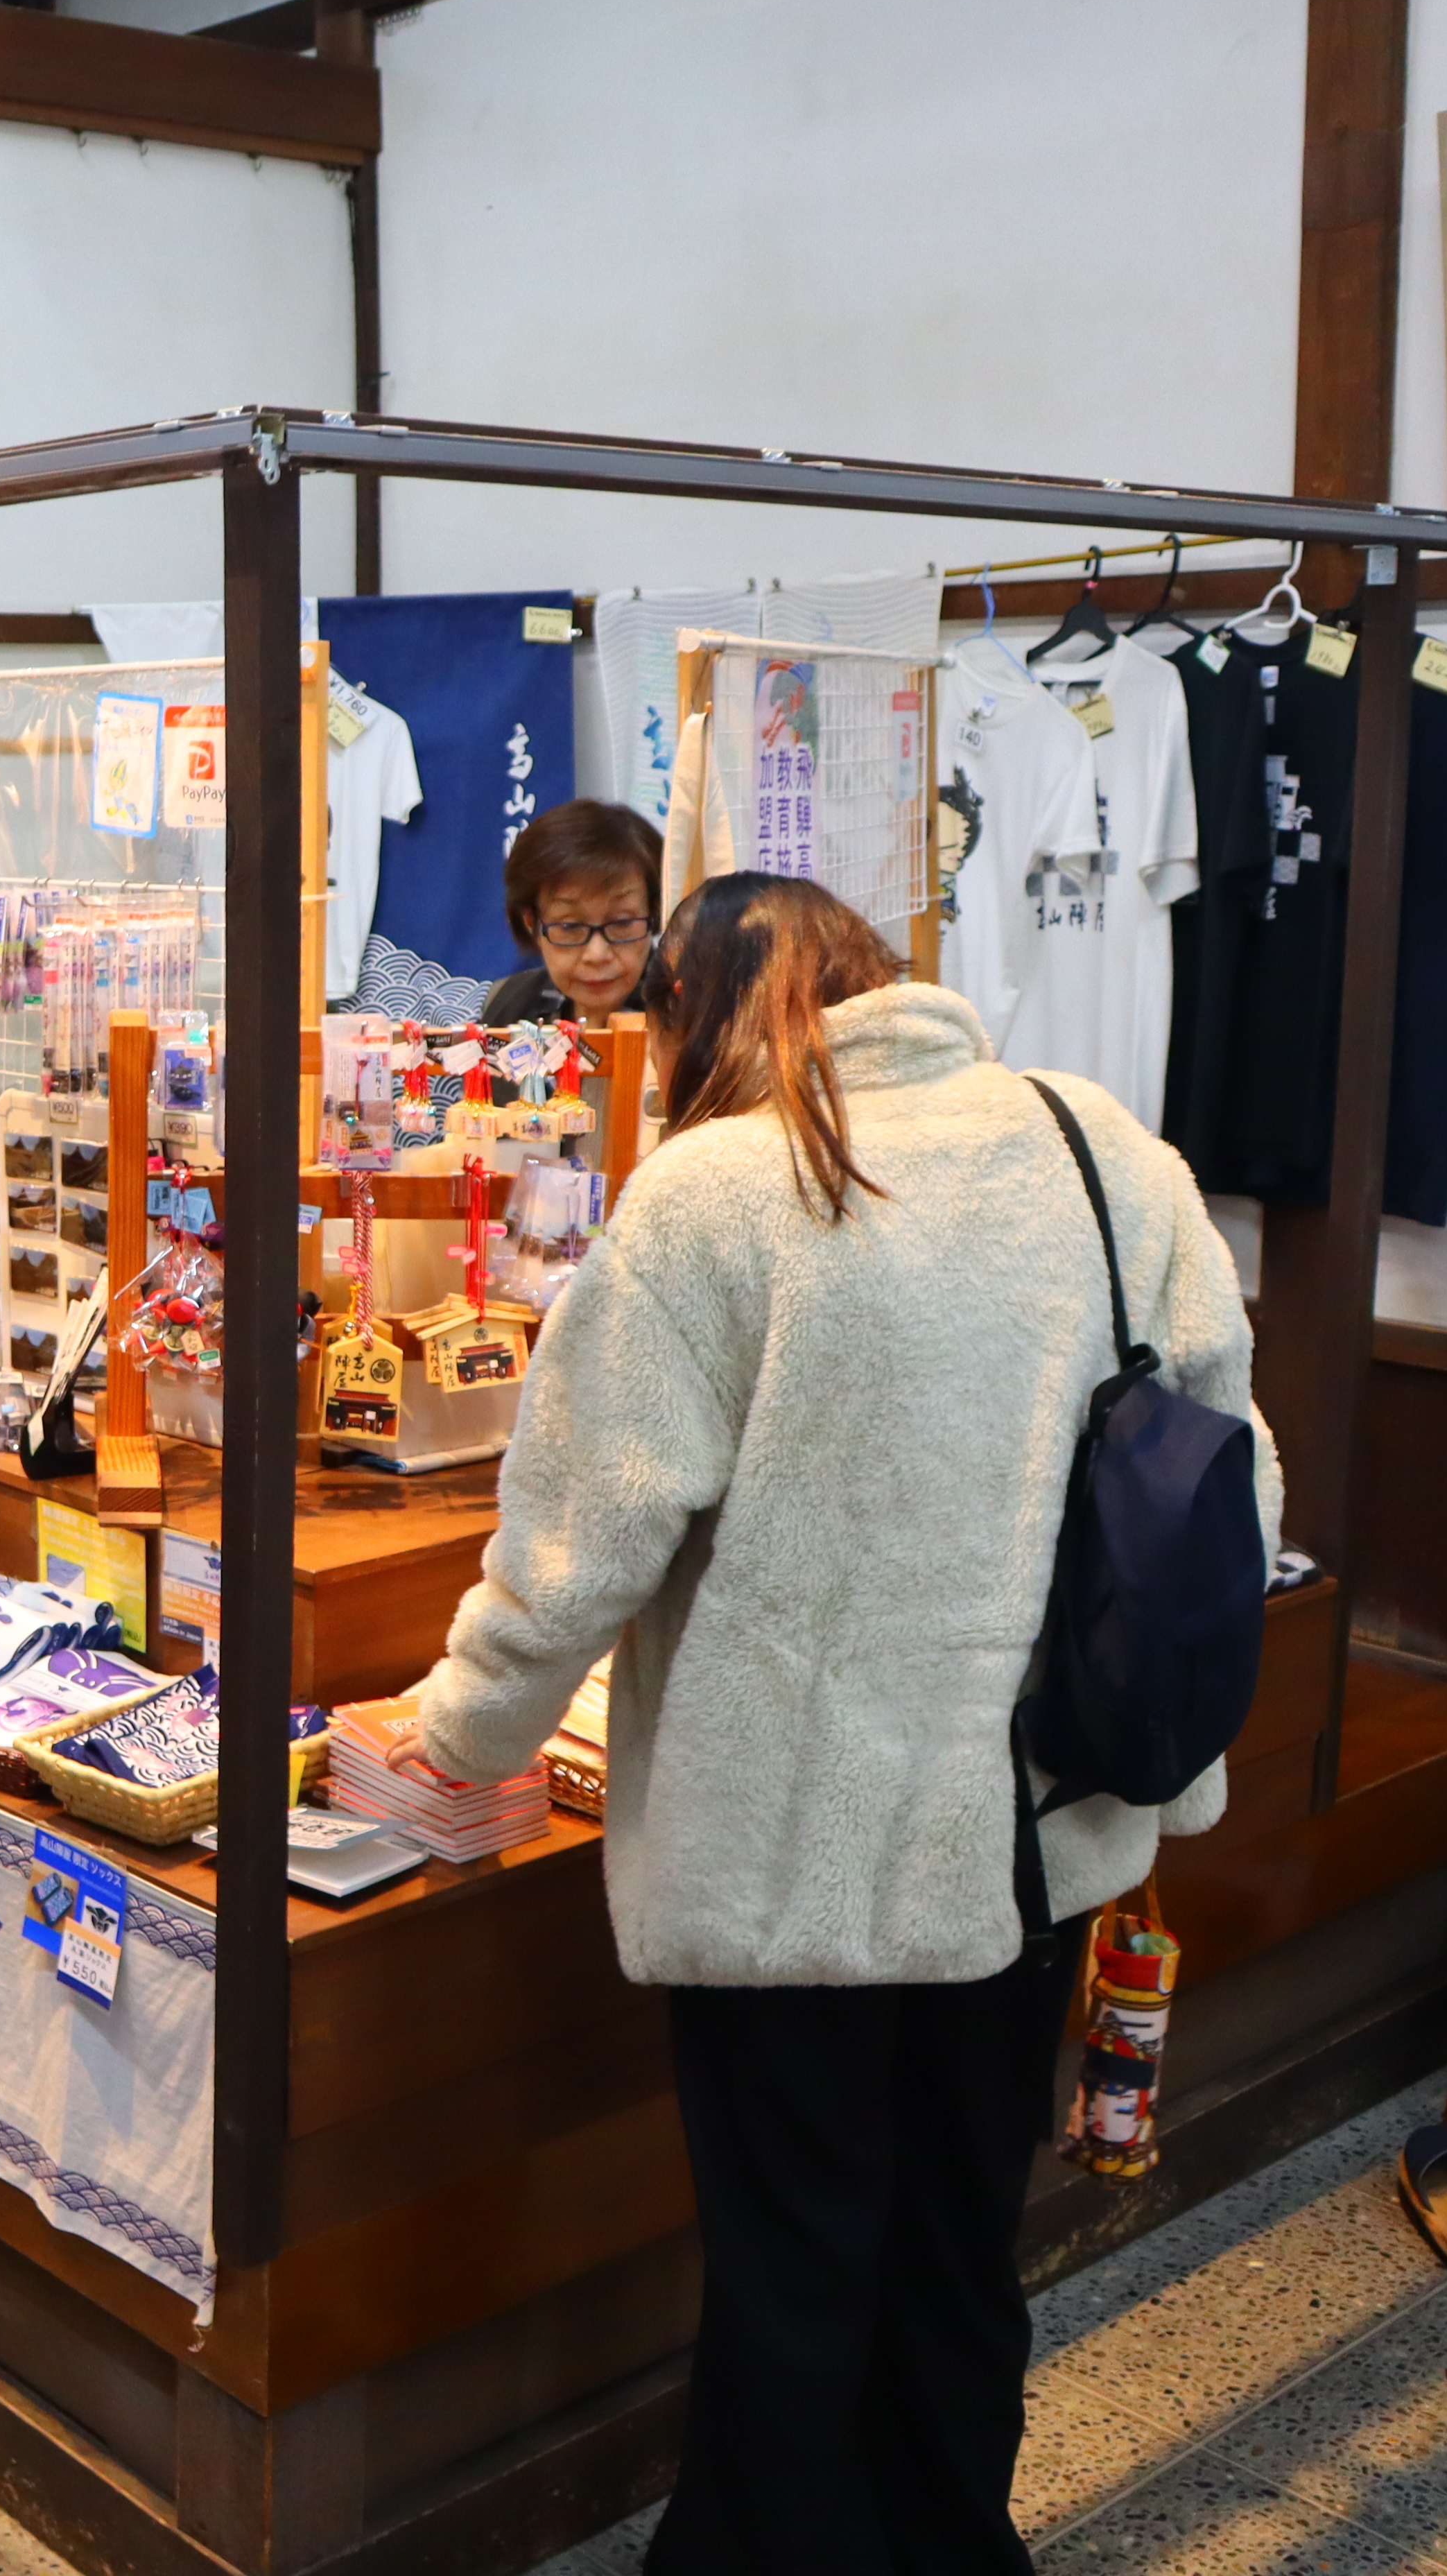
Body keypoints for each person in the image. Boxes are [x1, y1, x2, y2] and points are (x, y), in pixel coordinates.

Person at [397, 874, 1276, 2575]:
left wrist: (471, 1727)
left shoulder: (717, 1191)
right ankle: (950, 2547)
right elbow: (1227, 1463)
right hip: (1038, 1822)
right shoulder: (1102, 1151)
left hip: (794, 1845)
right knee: (959, 2244)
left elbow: (581, 1538)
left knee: (795, 2262)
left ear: (696, 1018)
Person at [480, 799, 664, 1030]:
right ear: (532, 924)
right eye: (570, 927)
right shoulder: (509, 1003)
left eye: (622, 922)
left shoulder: (690, 1014)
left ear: (654, 913)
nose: (597, 955)